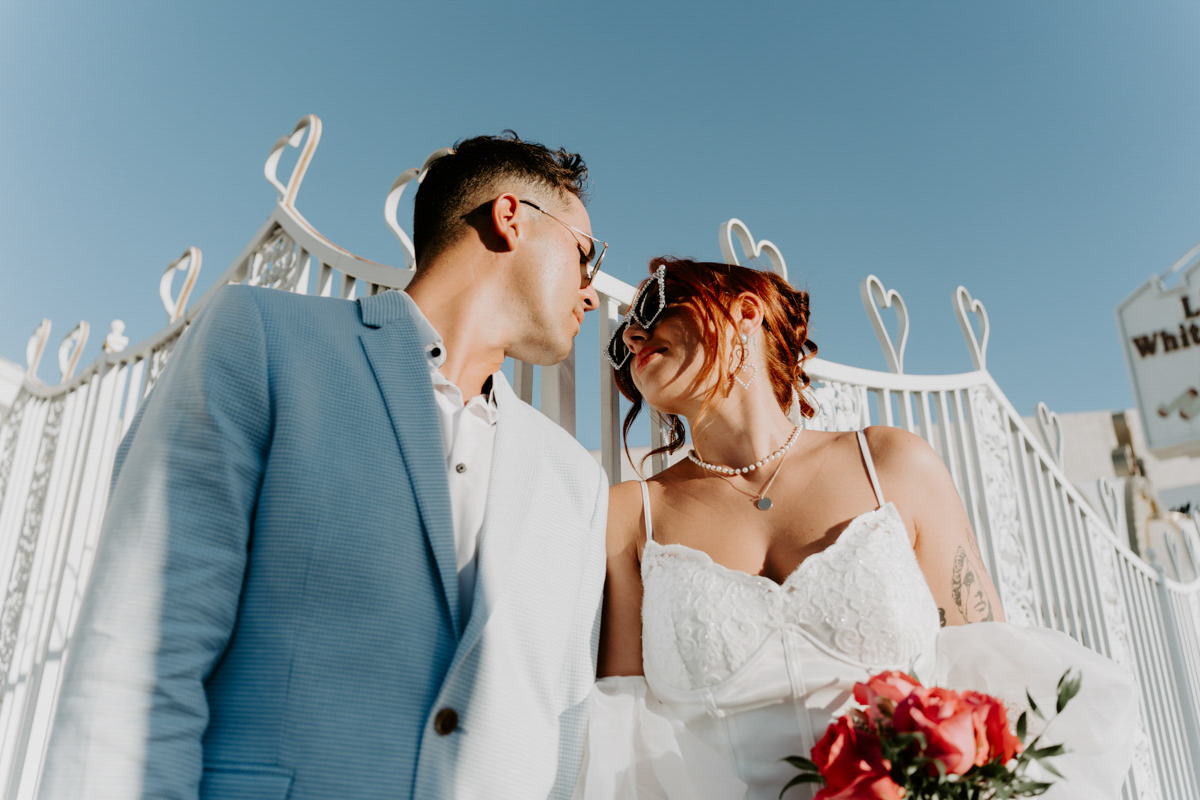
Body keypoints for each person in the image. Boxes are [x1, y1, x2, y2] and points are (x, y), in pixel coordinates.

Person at [42, 133, 610, 800]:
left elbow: (568, 737)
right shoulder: (262, 339)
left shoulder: (576, 480)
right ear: (511, 217)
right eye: (585, 256)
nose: (593, 293)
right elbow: (136, 659)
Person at [576, 257, 1138, 800]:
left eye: (653, 305)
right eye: (620, 334)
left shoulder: (891, 463)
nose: (631, 336)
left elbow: (985, 679)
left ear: (745, 310)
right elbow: (626, 735)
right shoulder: (631, 515)